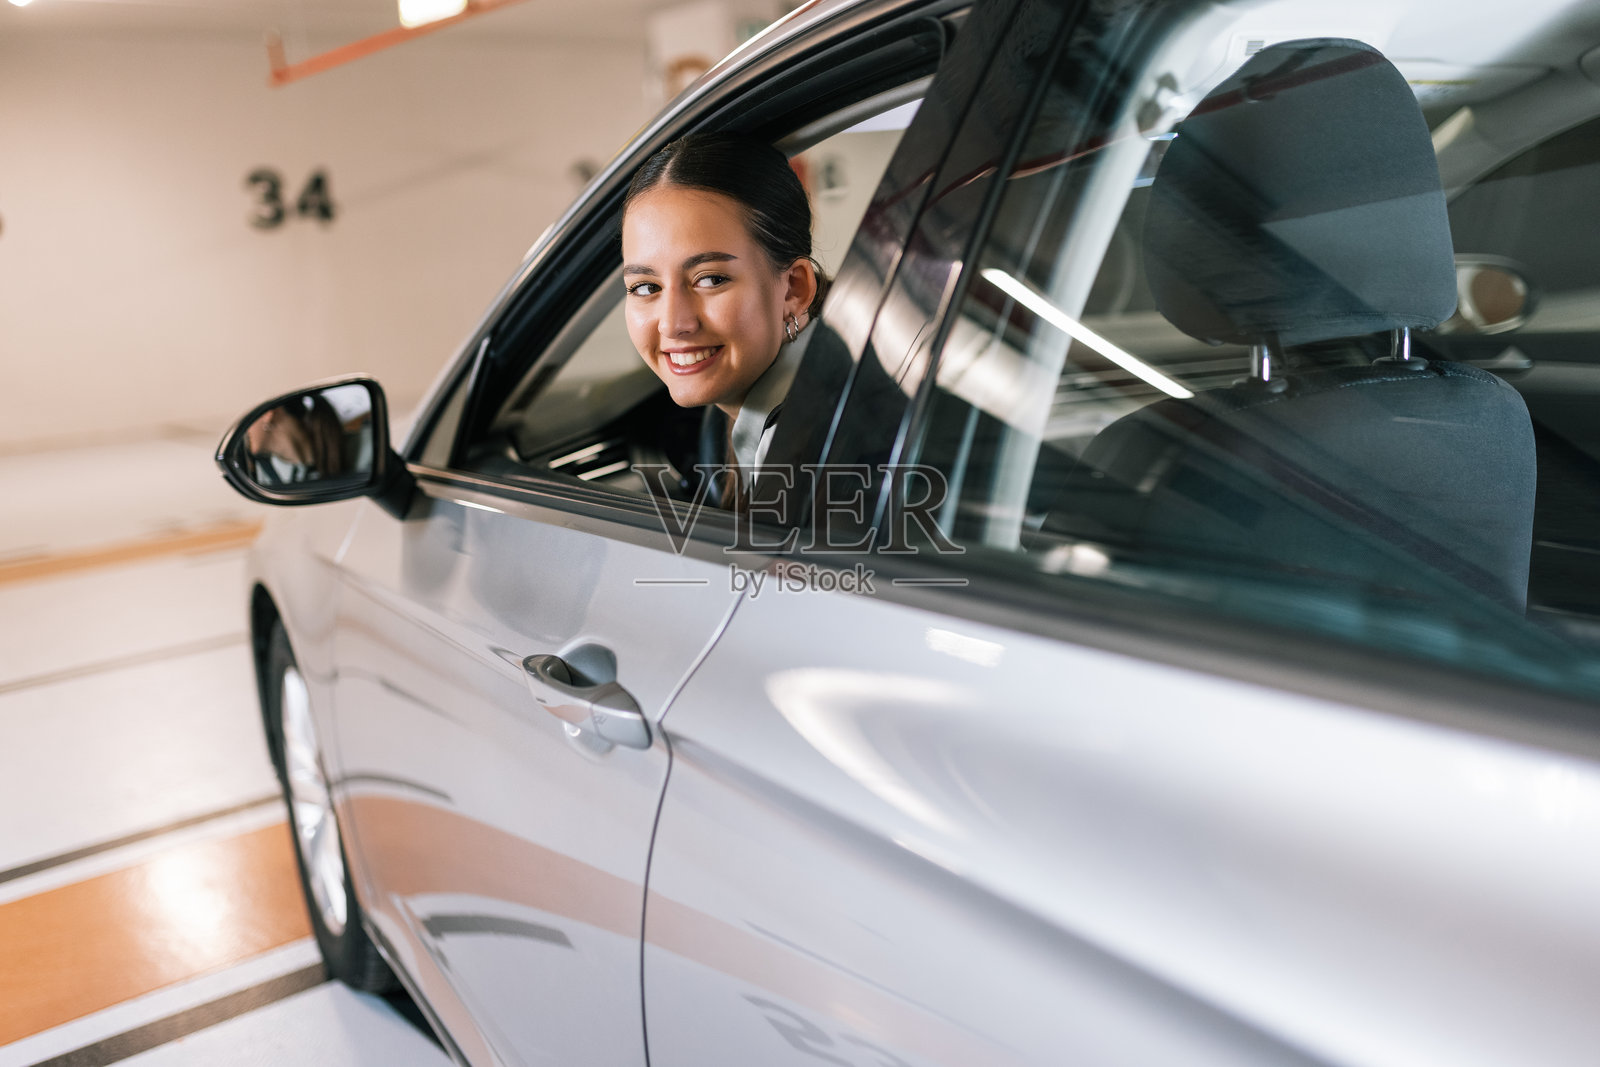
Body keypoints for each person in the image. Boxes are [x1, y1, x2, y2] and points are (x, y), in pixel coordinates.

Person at [620, 132, 830, 507]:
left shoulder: (820, 459)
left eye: (711, 279)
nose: (672, 323)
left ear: (794, 290)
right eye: (645, 287)